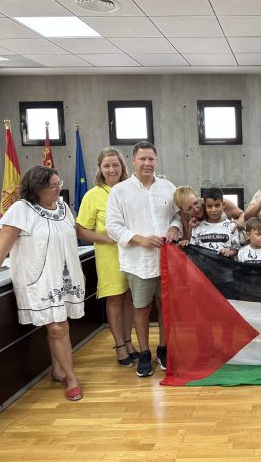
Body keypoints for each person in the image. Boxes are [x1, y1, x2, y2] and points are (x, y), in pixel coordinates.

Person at [0, 166, 85, 401]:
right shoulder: (20, 210)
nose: (59, 188)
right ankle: (71, 378)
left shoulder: (63, 207)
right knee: (57, 327)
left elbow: (72, 234)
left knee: (58, 324)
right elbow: (1, 248)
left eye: (59, 183)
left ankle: (58, 370)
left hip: (65, 277)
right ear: (37, 189)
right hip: (39, 279)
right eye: (53, 186)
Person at [106, 141, 182, 378]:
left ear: (156, 161)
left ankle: (163, 349)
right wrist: (139, 239)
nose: (147, 163)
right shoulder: (120, 191)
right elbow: (113, 227)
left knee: (165, 308)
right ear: (133, 161)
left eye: (151, 159)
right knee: (141, 309)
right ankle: (144, 354)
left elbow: (178, 216)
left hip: (166, 261)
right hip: (138, 263)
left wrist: (173, 229)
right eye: (142, 159)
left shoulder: (169, 188)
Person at [76, 148, 138, 367]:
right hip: (108, 254)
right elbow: (81, 229)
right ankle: (120, 346)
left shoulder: (131, 190)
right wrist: (107, 237)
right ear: (100, 169)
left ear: (123, 167)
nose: (112, 169)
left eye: (115, 165)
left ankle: (130, 341)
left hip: (133, 252)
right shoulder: (92, 195)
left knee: (131, 298)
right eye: (107, 166)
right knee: (115, 298)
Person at [173, 186, 244, 241]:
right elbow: (190, 241)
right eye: (189, 208)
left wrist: (240, 221)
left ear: (198, 197)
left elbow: (242, 213)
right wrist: (191, 228)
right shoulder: (184, 216)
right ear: (183, 210)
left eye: (195, 203)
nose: (196, 209)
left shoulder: (215, 201)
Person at [188, 187, 240, 257]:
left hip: (225, 266)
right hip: (203, 267)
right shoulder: (198, 227)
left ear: (223, 205)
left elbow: (235, 249)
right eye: (209, 206)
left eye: (217, 205)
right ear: (204, 206)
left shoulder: (232, 226)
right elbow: (193, 250)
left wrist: (229, 252)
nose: (213, 210)